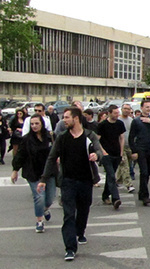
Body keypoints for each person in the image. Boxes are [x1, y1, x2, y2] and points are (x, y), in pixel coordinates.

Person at [37, 107, 103, 261]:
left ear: (76, 118)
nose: (64, 120)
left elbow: (99, 151)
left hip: (86, 180)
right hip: (68, 181)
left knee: (84, 209)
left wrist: (96, 155)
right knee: (68, 214)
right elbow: (52, 158)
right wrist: (43, 179)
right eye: (64, 117)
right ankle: (70, 248)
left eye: (67, 117)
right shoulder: (62, 137)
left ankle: (80, 232)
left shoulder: (89, 135)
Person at [11, 114, 55, 233]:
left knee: (50, 198)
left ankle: (45, 209)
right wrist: (15, 170)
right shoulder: (26, 139)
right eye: (32, 124)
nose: (34, 126)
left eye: (37, 123)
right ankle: (39, 221)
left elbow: (57, 151)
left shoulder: (50, 137)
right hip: (33, 172)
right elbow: (20, 155)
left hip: (48, 172)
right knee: (39, 197)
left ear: (42, 124)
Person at [129, 100, 150, 206]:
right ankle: (145, 196)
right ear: (141, 108)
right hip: (140, 149)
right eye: (146, 107)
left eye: (149, 107)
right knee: (143, 172)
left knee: (147, 172)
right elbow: (131, 137)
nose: (148, 109)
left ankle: (141, 192)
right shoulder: (136, 121)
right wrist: (134, 151)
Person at [97, 105, 126, 210]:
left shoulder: (120, 124)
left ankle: (105, 195)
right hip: (106, 155)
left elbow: (122, 138)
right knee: (111, 176)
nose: (117, 115)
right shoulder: (102, 125)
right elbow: (97, 140)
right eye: (115, 113)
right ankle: (115, 199)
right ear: (109, 113)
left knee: (111, 176)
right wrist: (103, 152)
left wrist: (121, 152)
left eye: (118, 113)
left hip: (116, 154)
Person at [116, 103, 135, 192]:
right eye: (125, 108)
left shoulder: (131, 120)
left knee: (125, 165)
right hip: (120, 146)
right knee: (125, 165)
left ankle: (118, 180)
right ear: (121, 109)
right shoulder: (118, 120)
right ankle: (128, 184)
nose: (127, 110)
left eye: (128, 109)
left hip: (129, 146)